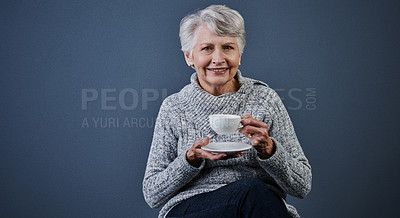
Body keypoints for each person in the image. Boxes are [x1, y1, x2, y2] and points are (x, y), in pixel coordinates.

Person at [142, 5, 312, 218]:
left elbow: (302, 186)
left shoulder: (265, 99)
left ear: (239, 55)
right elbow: (152, 195)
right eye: (206, 48)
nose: (218, 58)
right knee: (251, 190)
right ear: (189, 57)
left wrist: (269, 150)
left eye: (228, 47)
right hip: (191, 209)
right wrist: (189, 160)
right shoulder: (174, 107)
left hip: (258, 206)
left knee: (253, 192)